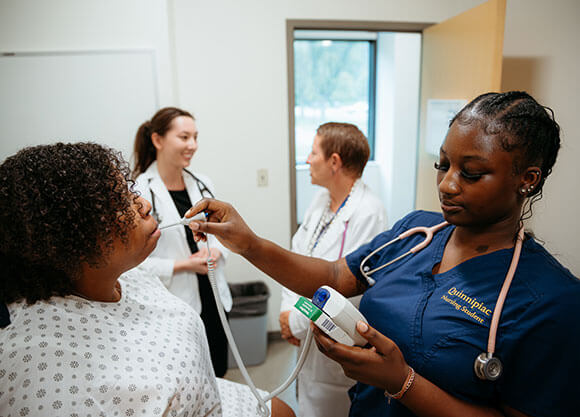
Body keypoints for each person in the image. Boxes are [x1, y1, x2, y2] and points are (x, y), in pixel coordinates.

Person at [186, 91, 580, 417]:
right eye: (442, 165)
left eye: (471, 173)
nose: (447, 184)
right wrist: (249, 243)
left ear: (527, 179)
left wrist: (402, 383)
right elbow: (336, 275)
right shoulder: (416, 233)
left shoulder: (552, 301)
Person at [0, 142, 294, 417]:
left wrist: (248, 245)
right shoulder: (46, 379)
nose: (143, 205)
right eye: (121, 201)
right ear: (71, 238)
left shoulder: (130, 276)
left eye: (130, 191)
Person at [279, 122, 386, 417]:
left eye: (314, 153)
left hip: (332, 342)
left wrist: (296, 323)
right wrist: (287, 313)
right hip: (305, 335)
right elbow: (295, 259)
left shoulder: (369, 213)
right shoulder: (322, 200)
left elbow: (349, 291)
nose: (308, 159)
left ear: (334, 162)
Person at [132, 107, 232, 377]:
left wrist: (217, 255)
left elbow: (222, 236)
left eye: (195, 137)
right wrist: (182, 265)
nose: (193, 145)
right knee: (188, 375)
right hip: (174, 299)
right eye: (184, 137)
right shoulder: (140, 191)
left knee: (217, 369)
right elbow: (132, 266)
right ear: (157, 140)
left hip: (212, 293)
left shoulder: (203, 184)